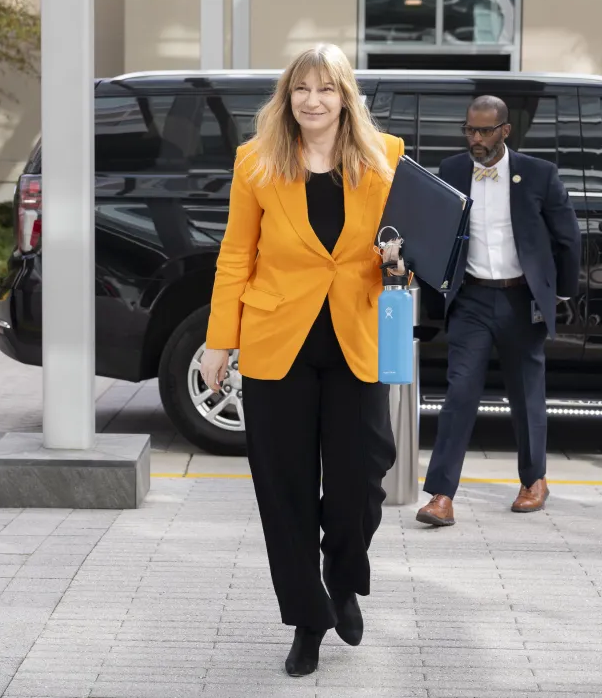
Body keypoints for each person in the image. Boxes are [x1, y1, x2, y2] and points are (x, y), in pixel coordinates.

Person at [199, 44, 405, 677]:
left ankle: (342, 579)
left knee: (360, 482)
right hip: (275, 344)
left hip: (355, 339)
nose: (313, 101)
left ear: (346, 96)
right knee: (284, 492)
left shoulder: (385, 158)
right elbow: (236, 255)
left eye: (326, 89)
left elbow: (404, 247)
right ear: (286, 99)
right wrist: (218, 341)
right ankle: (308, 619)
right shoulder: (256, 162)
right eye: (300, 90)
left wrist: (400, 261)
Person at [416, 95, 581, 527]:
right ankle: (441, 495)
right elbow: (435, 232)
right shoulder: (452, 171)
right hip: (471, 299)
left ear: (505, 130)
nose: (476, 139)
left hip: (521, 298)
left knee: (526, 394)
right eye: (469, 130)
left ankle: (534, 480)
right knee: (459, 394)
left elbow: (568, 238)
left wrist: (560, 294)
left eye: (485, 131)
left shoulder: (540, 175)